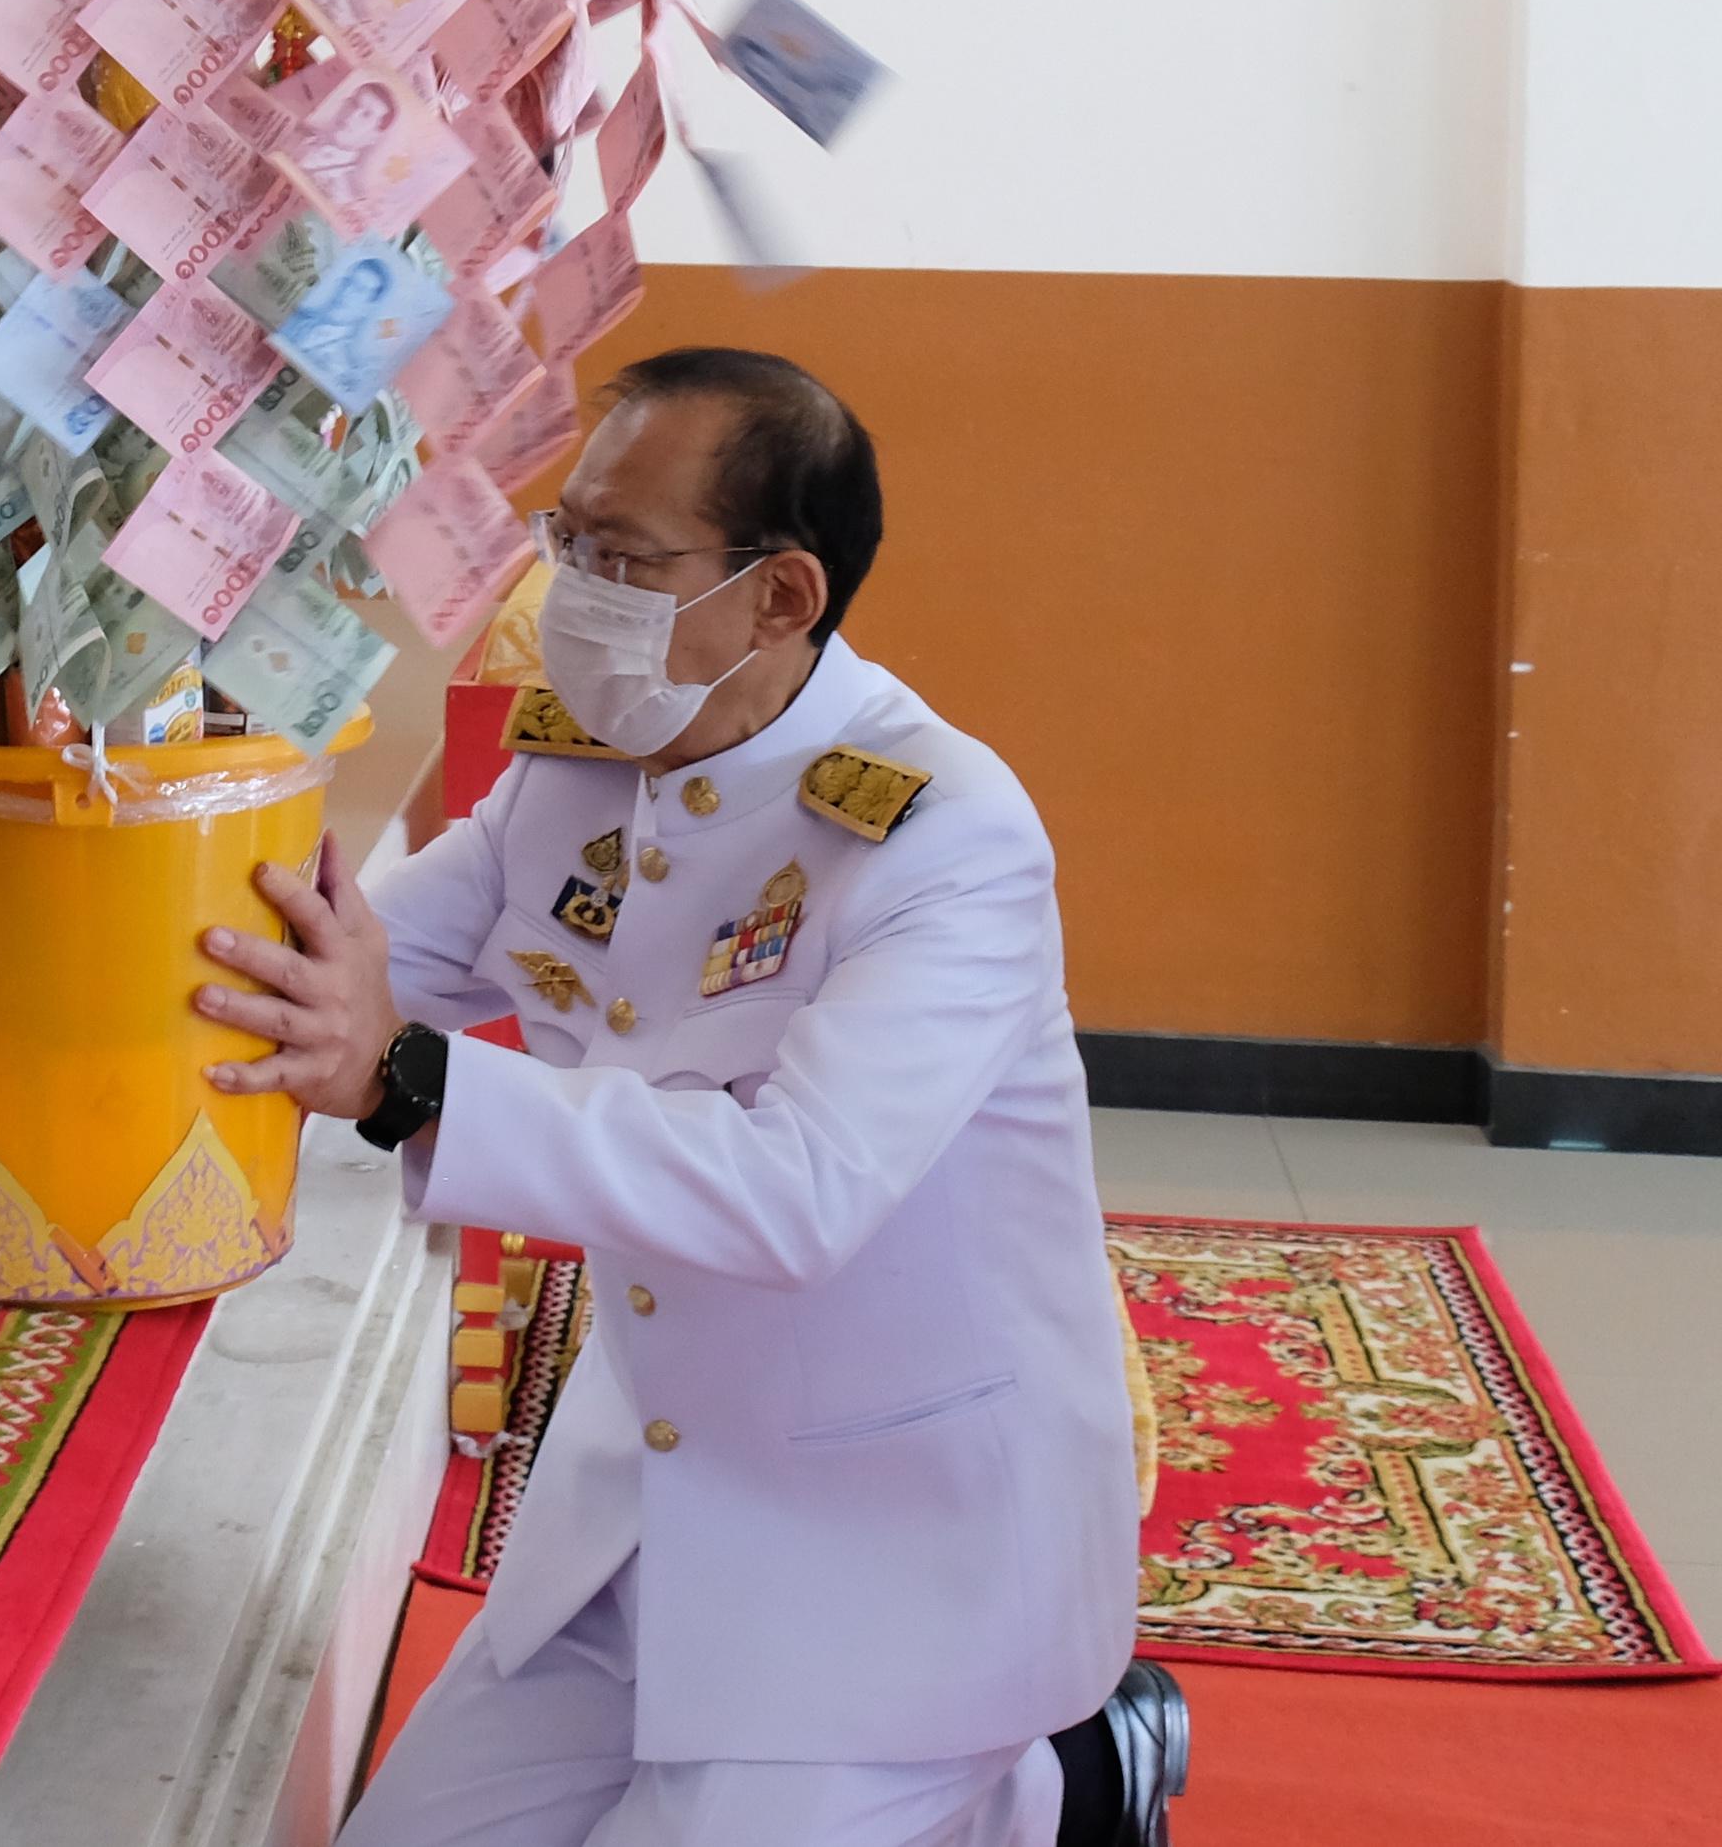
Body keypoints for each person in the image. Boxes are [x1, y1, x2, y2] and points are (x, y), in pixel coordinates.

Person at [195, 350, 1181, 1847]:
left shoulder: (944, 838)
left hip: (886, 1561)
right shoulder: (579, 772)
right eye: (568, 539)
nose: (570, 591)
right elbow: (365, 957)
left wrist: (405, 1079)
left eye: (622, 559)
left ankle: (1063, 1785)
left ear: (780, 596)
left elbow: (798, 1191)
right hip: (644, 1506)